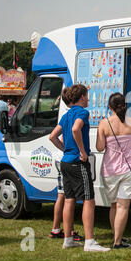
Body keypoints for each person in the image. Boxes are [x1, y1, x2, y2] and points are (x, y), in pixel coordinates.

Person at [49, 84, 109, 252]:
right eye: (87, 96)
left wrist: (66, 149)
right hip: (78, 162)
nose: (89, 99)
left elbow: (53, 136)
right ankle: (89, 241)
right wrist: (81, 151)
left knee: (69, 199)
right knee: (89, 200)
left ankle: (68, 238)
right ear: (82, 97)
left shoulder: (66, 115)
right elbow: (76, 129)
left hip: (66, 162)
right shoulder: (82, 112)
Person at [96, 92, 131, 249]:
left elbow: (100, 147)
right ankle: (117, 241)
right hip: (130, 169)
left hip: (110, 170)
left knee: (114, 206)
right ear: (125, 106)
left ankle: (117, 237)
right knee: (123, 207)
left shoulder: (104, 124)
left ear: (110, 107)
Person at [49, 87, 84, 242]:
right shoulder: (74, 114)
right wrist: (69, 149)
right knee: (69, 197)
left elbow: (52, 136)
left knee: (61, 195)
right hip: (68, 157)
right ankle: (68, 231)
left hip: (60, 158)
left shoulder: (64, 113)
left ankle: (56, 228)